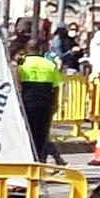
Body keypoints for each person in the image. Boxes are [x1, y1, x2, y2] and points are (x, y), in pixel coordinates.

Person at [14, 36, 63, 164]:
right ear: (40, 49)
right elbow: (56, 87)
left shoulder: (22, 65)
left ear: (27, 49)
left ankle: (28, 160)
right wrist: (56, 103)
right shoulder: (50, 64)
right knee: (42, 134)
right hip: (45, 103)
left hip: (27, 103)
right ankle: (40, 162)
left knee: (27, 133)